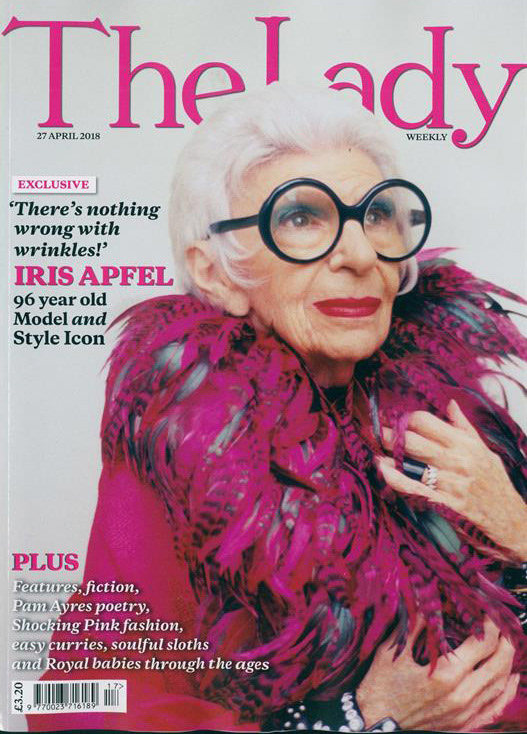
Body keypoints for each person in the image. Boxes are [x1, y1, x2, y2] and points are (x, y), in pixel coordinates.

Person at [28, 86, 527, 732]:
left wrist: (518, 529)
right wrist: (353, 720)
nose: (358, 255)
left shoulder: (454, 418)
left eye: (377, 215)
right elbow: (79, 710)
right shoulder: (190, 444)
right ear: (216, 273)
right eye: (299, 218)